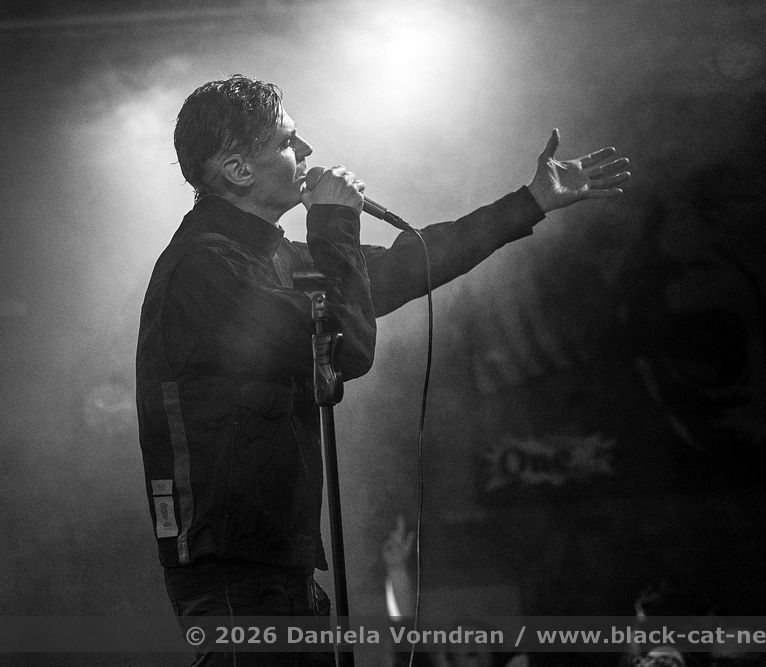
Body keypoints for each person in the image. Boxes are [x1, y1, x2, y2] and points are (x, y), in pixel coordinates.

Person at [135, 74, 630, 665]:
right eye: (288, 141)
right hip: (232, 568)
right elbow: (346, 348)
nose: (308, 150)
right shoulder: (204, 268)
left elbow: (403, 265)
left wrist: (531, 202)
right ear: (238, 170)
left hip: (275, 562)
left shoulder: (271, 256)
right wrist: (334, 221)